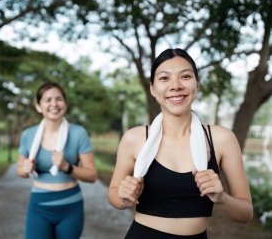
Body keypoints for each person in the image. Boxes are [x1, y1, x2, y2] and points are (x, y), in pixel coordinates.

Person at [108, 48, 253, 239]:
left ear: (197, 85)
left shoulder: (222, 139)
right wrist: (123, 197)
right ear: (152, 88)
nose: (175, 86)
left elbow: (246, 213)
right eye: (164, 78)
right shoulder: (135, 138)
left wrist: (222, 198)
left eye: (185, 76)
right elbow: (113, 194)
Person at [17, 81, 97, 239]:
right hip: (39, 206)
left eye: (59, 99)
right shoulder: (28, 135)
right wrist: (24, 169)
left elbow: (92, 175)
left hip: (70, 207)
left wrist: (66, 166)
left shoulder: (78, 133)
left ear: (65, 104)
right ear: (38, 106)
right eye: (47, 100)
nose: (54, 104)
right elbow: (20, 170)